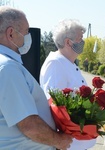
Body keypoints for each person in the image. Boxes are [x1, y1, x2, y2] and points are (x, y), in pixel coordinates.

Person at [0, 6, 72, 150]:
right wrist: (59, 141)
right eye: (26, 31)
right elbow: (28, 125)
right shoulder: (8, 68)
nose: (28, 36)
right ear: (11, 34)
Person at [40, 19, 96, 150]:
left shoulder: (68, 63)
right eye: (80, 38)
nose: (83, 42)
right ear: (68, 42)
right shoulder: (55, 64)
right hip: (69, 144)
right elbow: (56, 107)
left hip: (77, 142)